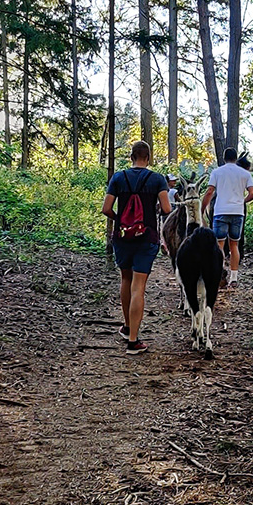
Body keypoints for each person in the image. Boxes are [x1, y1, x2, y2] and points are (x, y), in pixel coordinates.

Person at [102, 141, 171, 354]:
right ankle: (133, 341)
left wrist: (121, 220)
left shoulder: (118, 178)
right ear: (148, 158)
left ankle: (127, 326)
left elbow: (106, 209)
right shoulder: (157, 179)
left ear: (131, 157)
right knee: (138, 286)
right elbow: (167, 208)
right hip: (146, 237)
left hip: (122, 237)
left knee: (126, 279)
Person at [201, 147, 253, 289]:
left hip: (220, 212)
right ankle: (234, 278)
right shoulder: (245, 174)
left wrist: (202, 208)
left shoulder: (217, 172)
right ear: (236, 158)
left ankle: (218, 275)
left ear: (224, 158)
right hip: (238, 213)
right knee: (234, 245)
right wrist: (242, 201)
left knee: (219, 245)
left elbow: (209, 191)